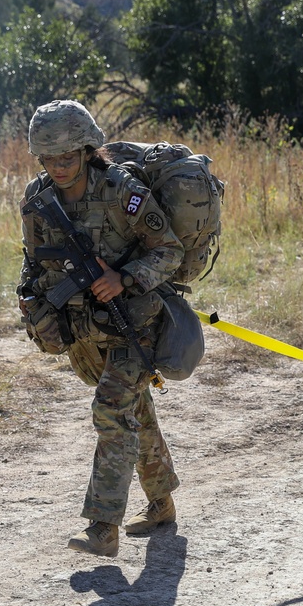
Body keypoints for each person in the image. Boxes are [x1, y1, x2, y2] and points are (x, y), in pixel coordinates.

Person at [18, 99, 184, 557]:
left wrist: (125, 278)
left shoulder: (121, 191)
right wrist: (32, 300)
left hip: (135, 322)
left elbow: (168, 250)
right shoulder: (37, 200)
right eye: (49, 159)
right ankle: (161, 502)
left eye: (68, 157)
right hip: (83, 328)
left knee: (111, 411)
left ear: (89, 149)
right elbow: (34, 261)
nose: (59, 167)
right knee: (135, 410)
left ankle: (102, 526)